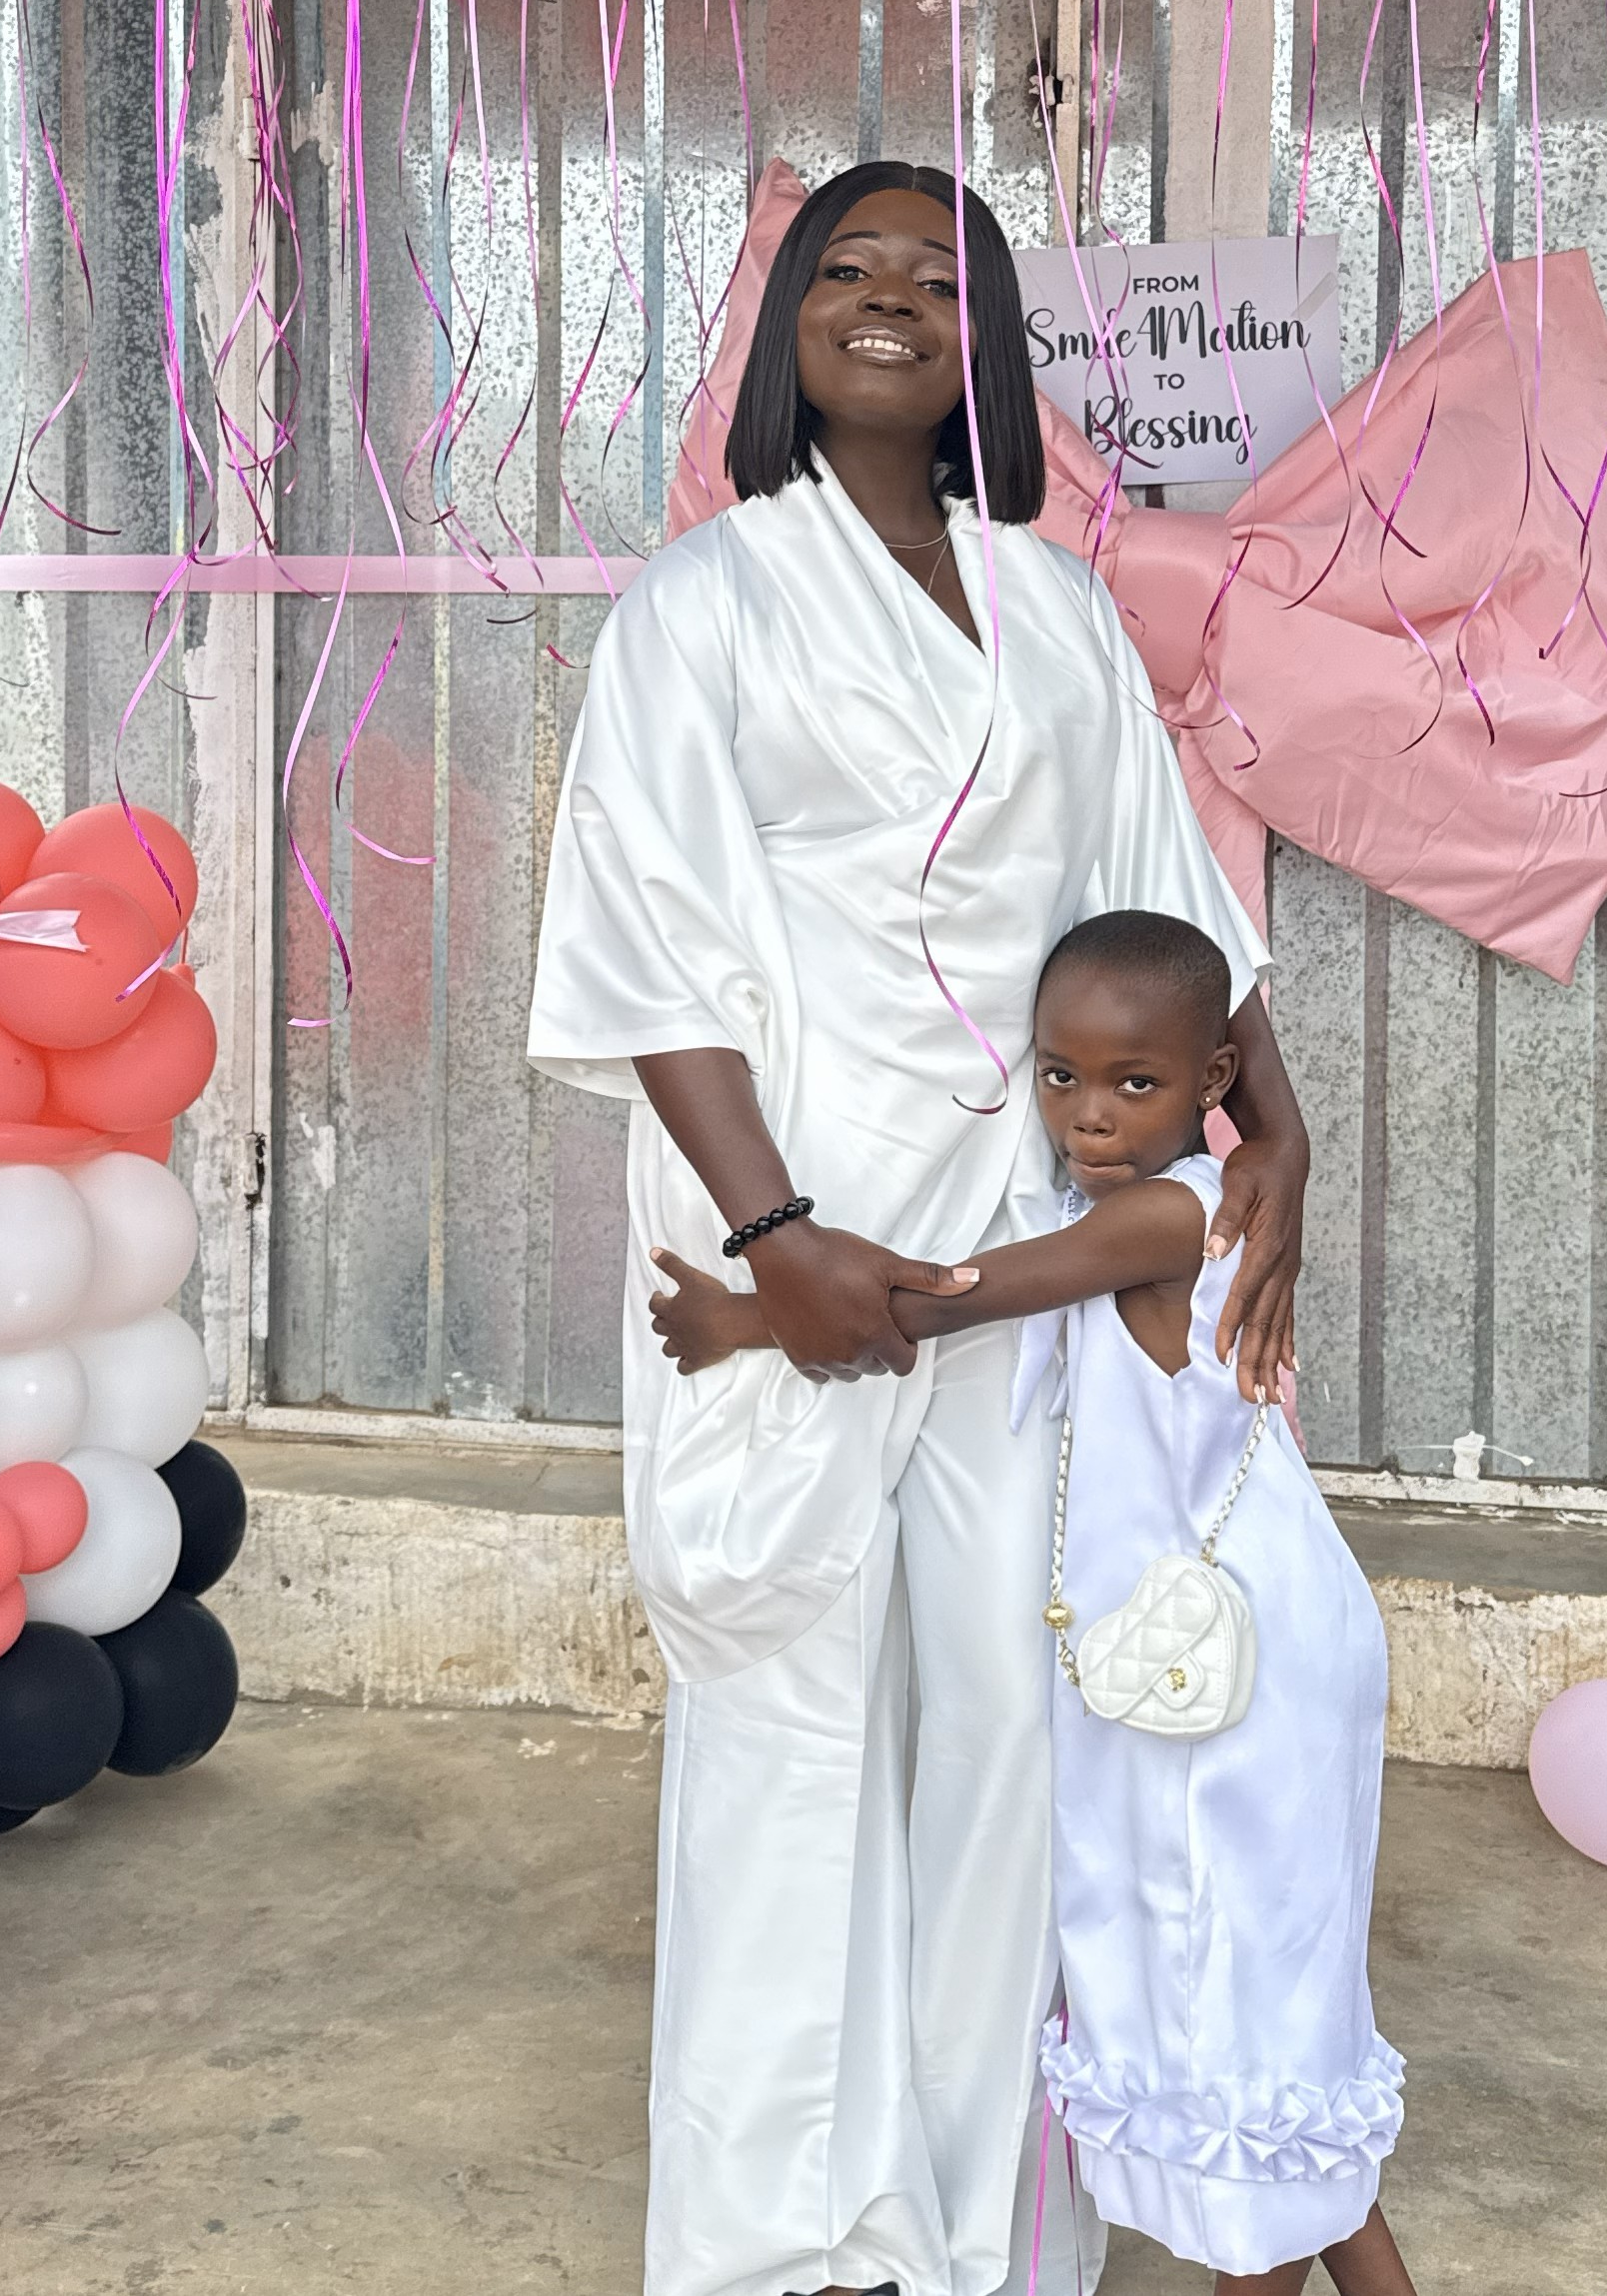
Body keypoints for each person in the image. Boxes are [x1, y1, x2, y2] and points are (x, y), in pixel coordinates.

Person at [527, 159, 1311, 2296]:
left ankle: (974, 2223)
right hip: (784, 1233)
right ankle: (785, 2242)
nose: (887, 300)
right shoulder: (699, 605)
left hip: (1015, 1227)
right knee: (785, 1713)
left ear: (988, 349)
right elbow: (647, 947)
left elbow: (1165, 905)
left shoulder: (1054, 611)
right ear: (787, 323)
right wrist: (777, 1232)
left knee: (1000, 1714)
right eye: (845, 268)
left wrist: (1284, 1134)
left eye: (935, 278)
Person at [649, 910, 1414, 2296]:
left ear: (1217, 1078)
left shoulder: (1168, 1216)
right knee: (1252, 2021)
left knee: (1243, 2020)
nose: (1090, 1114)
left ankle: (1270, 2256)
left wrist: (741, 1317)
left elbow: (944, 1298)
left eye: (1136, 1083)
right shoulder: (1137, 1206)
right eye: (1059, 1075)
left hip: (1241, 1659)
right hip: (1198, 1646)